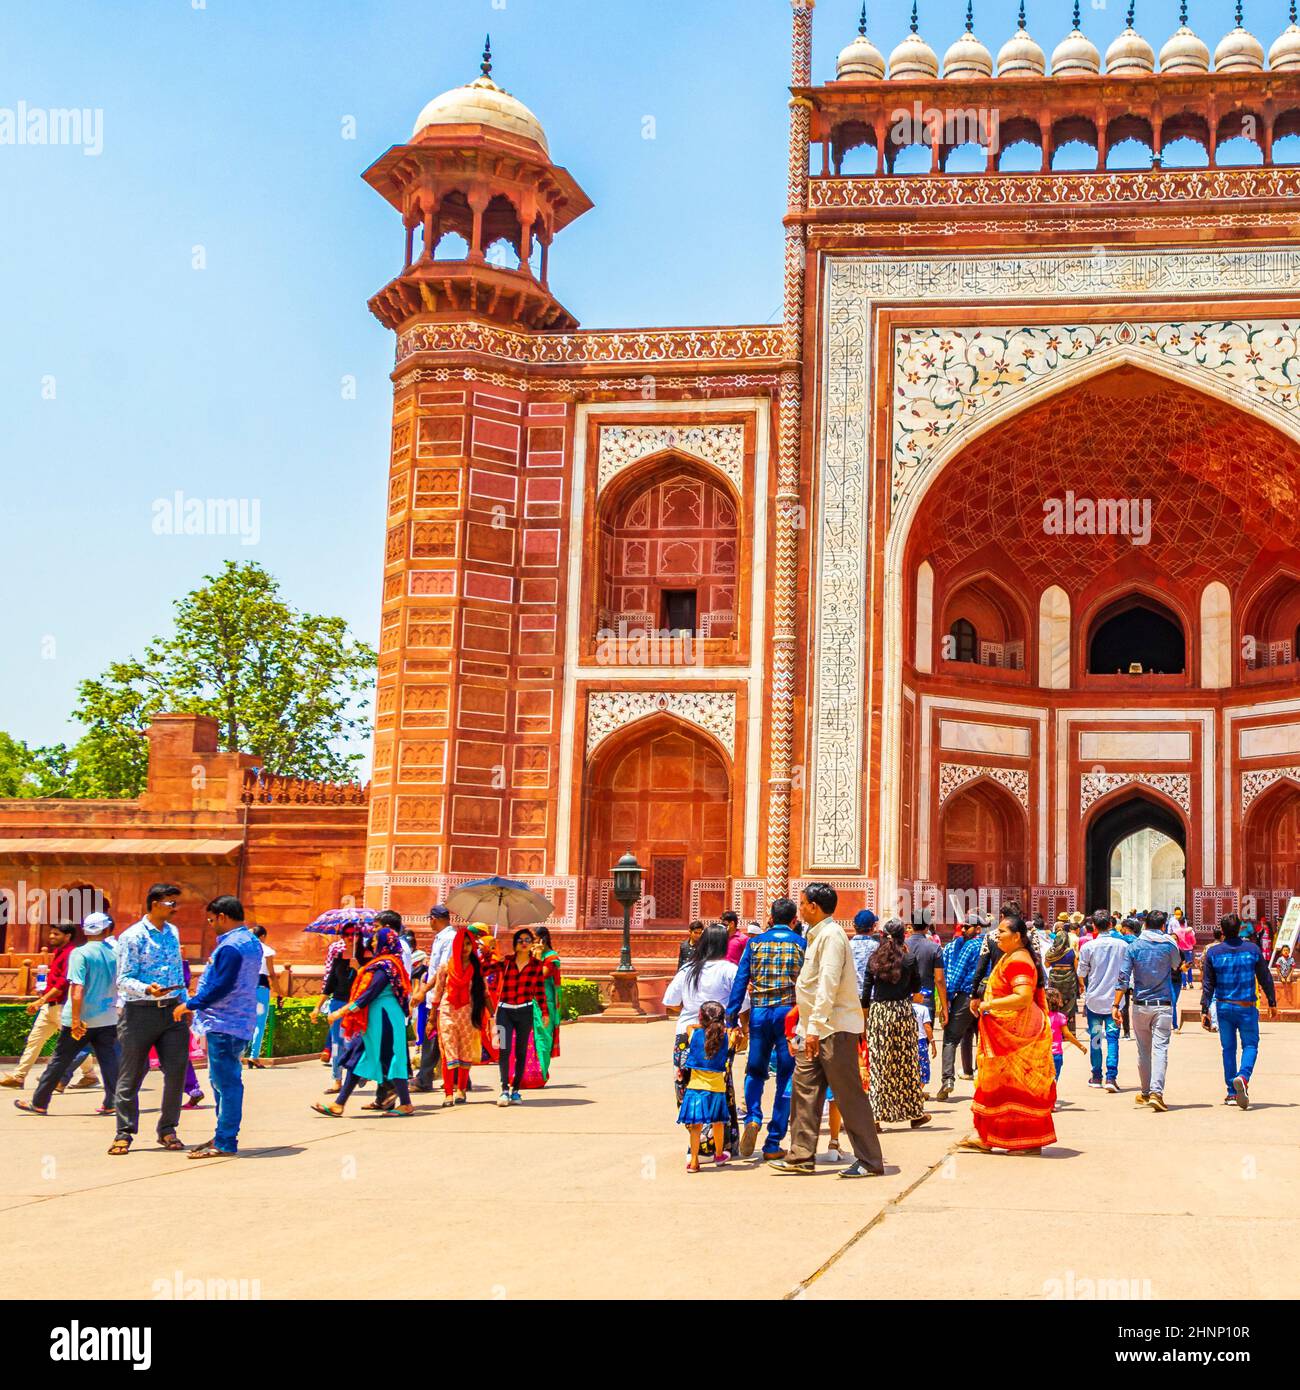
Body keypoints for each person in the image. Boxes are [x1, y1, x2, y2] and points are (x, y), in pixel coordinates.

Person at [770, 883, 884, 1179]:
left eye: (804, 903)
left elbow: (828, 984)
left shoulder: (831, 936)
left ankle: (870, 1160)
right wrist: (806, 1027)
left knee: (847, 1094)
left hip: (833, 1029)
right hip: (815, 1028)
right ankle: (801, 1155)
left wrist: (815, 1026)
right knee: (804, 1089)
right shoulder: (815, 934)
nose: (800, 907)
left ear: (815, 907)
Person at [173, 896, 263, 1157]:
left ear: (223, 917)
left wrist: (191, 1004)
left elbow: (222, 985)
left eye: (212, 920)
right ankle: (221, 1135)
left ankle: (225, 1140)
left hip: (224, 1022)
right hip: (239, 1020)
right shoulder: (251, 941)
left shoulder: (231, 947)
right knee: (222, 1081)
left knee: (227, 1083)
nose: (211, 925)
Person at [960, 914, 1056, 1154]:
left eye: (1002, 931)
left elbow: (1022, 997)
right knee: (1007, 1087)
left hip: (1018, 1036)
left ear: (1017, 937)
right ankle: (997, 1136)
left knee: (1011, 1087)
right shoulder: (1012, 957)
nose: (997, 935)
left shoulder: (1018, 960)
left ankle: (1015, 1138)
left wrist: (988, 1005)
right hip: (1008, 1033)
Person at [110, 883, 191, 1156]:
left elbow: (177, 971)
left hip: (171, 1011)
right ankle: (124, 1132)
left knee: (177, 1071)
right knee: (131, 1074)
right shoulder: (132, 936)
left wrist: (184, 1002)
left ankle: (168, 1129)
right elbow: (123, 979)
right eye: (170, 903)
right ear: (155, 903)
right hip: (139, 1012)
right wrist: (147, 988)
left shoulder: (172, 933)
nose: (174, 908)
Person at [14, 912, 119, 1118]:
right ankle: (112, 1102)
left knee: (59, 1060)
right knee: (108, 1061)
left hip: (81, 1018)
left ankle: (39, 1102)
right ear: (107, 930)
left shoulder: (80, 953)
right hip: (107, 1017)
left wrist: (75, 1020)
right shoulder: (115, 953)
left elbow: (77, 988)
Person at [725, 896, 805, 1161]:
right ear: (794, 920)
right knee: (786, 1075)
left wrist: (732, 1016)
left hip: (760, 1012)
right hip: (788, 1014)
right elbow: (807, 984)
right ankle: (773, 1141)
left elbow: (740, 980)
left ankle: (754, 1117)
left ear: (770, 918)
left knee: (755, 1069)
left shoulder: (755, 943)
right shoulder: (801, 944)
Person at [312, 926, 414, 1118]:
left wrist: (340, 1012)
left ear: (385, 942)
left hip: (385, 1021)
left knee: (389, 1058)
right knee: (359, 1057)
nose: (372, 942)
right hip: (377, 1020)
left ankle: (406, 1104)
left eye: (376, 939)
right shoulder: (384, 963)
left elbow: (369, 994)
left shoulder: (387, 965)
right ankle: (339, 1104)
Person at [666, 923, 739, 1157]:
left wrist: (691, 1010)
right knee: (719, 1085)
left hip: (686, 1035)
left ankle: (696, 1144)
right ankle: (721, 1144)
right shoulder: (729, 970)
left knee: (687, 1086)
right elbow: (743, 1002)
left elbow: (670, 1001)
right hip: (720, 1034)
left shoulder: (688, 969)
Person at [1, 921, 100, 1092]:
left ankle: (89, 1075)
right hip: (50, 1006)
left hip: (63, 1006)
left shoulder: (72, 954)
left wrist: (41, 1000)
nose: (51, 937)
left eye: (56, 934)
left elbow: (63, 983)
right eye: (51, 933)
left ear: (68, 936)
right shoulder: (58, 952)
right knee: (35, 1040)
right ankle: (19, 1076)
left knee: (73, 1043)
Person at [1201, 912, 1278, 1110]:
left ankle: (1231, 1092)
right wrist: (1271, 1000)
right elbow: (1264, 976)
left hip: (1224, 1006)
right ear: (1240, 929)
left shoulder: (1214, 953)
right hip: (1246, 1007)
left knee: (1228, 1049)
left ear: (1222, 931)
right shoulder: (1252, 950)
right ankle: (1243, 1076)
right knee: (1250, 1045)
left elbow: (1208, 983)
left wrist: (1204, 1008)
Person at [862, 921, 931, 1128]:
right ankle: (914, 1113)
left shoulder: (874, 959)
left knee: (879, 1065)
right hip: (902, 1011)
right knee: (907, 1063)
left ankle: (875, 1116)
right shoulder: (908, 958)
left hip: (880, 1013)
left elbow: (866, 993)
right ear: (903, 936)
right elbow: (917, 985)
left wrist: (865, 1020)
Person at [1115, 908, 1182, 1112]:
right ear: (1163, 926)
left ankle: (1145, 1092)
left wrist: (1115, 1005)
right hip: (1162, 1005)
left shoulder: (1134, 946)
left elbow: (1123, 977)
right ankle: (1156, 1093)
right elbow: (1176, 965)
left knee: (1143, 1051)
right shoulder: (1169, 946)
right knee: (1160, 1049)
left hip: (1139, 1004)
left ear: (1144, 925)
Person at [423, 926, 495, 1105]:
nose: (465, 948)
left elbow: (485, 994)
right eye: (462, 944)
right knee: (448, 1052)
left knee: (464, 1053)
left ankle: (461, 1090)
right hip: (447, 1012)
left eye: (469, 944)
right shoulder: (446, 967)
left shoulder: (476, 969)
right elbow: (437, 995)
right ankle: (448, 1093)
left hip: (468, 1015)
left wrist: (494, 1016)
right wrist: (431, 1019)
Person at [493, 927, 551, 1106]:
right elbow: (485, 970)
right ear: (515, 945)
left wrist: (545, 1012)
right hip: (504, 1011)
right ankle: (504, 1089)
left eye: (527, 940)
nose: (524, 943)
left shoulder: (536, 966)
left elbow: (539, 991)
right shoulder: (506, 962)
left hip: (524, 1012)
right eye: (520, 940)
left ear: (532, 944)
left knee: (521, 1051)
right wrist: (488, 953)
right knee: (504, 1050)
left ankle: (515, 1090)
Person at [678, 1001, 738, 1172]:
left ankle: (694, 1161)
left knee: (695, 1126)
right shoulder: (727, 1037)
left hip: (695, 1088)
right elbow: (739, 1042)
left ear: (702, 1018)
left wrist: (704, 1024)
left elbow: (689, 1026)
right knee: (718, 1123)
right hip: (717, 1088)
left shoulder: (694, 1033)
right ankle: (719, 1154)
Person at [1077, 910, 1131, 1093]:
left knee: (1096, 1039)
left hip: (1094, 999)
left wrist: (1085, 985)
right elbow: (1127, 973)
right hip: (1115, 1001)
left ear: (1093, 926)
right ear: (1111, 924)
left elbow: (1082, 973)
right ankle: (1111, 1077)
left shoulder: (1088, 947)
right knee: (1113, 1039)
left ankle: (1096, 1075)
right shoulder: (1122, 945)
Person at [937, 915, 982, 1101]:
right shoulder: (988, 944)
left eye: (967, 927)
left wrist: (947, 1000)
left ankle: (948, 1080)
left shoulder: (967, 946)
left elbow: (955, 973)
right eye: (963, 927)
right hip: (987, 997)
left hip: (966, 997)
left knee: (951, 1038)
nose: (963, 930)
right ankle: (985, 1080)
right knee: (986, 1040)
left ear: (978, 929)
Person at [522, 925, 563, 1088]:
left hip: (546, 1003)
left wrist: (536, 957)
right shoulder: (531, 956)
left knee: (543, 1039)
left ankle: (541, 1075)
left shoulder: (552, 958)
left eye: (532, 939)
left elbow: (539, 976)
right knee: (529, 1039)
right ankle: (528, 1074)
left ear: (543, 939)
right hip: (530, 1002)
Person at [319, 938, 357, 1094]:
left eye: (352, 935)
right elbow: (330, 985)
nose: (349, 939)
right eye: (346, 935)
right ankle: (337, 1080)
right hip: (337, 1003)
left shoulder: (365, 959)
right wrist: (317, 1006)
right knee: (337, 1043)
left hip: (356, 1006)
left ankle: (356, 1075)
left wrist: (359, 967)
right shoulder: (339, 958)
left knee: (354, 1043)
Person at [243, 925, 281, 1068]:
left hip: (246, 989)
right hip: (261, 989)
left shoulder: (245, 950)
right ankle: (254, 1056)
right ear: (263, 936)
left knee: (246, 1021)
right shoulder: (266, 950)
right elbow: (271, 974)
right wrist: (279, 992)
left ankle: (240, 1054)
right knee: (259, 1023)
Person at [904, 917, 947, 1036]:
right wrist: (944, 1007)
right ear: (927, 928)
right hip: (926, 1000)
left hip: (904, 1000)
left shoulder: (902, 946)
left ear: (912, 926)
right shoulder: (934, 948)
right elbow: (939, 979)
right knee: (923, 1044)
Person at [1045, 986, 1086, 1109]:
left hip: (1042, 1053)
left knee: (1044, 1079)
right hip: (1056, 1054)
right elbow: (1067, 1035)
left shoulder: (1040, 1016)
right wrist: (1080, 1046)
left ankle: (1043, 1102)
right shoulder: (1060, 1017)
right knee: (1053, 1080)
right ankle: (1050, 1104)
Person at [849, 909, 879, 995]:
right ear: (873, 926)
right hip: (872, 996)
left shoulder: (847, 946)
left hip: (852, 997)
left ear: (854, 926)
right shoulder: (878, 948)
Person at [913, 994, 936, 1093]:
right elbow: (927, 1026)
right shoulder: (923, 1009)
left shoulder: (905, 1007)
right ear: (914, 996)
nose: (924, 998)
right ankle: (918, 1091)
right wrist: (932, 1043)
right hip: (920, 1041)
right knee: (923, 1067)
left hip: (908, 1041)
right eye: (922, 995)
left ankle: (912, 1091)